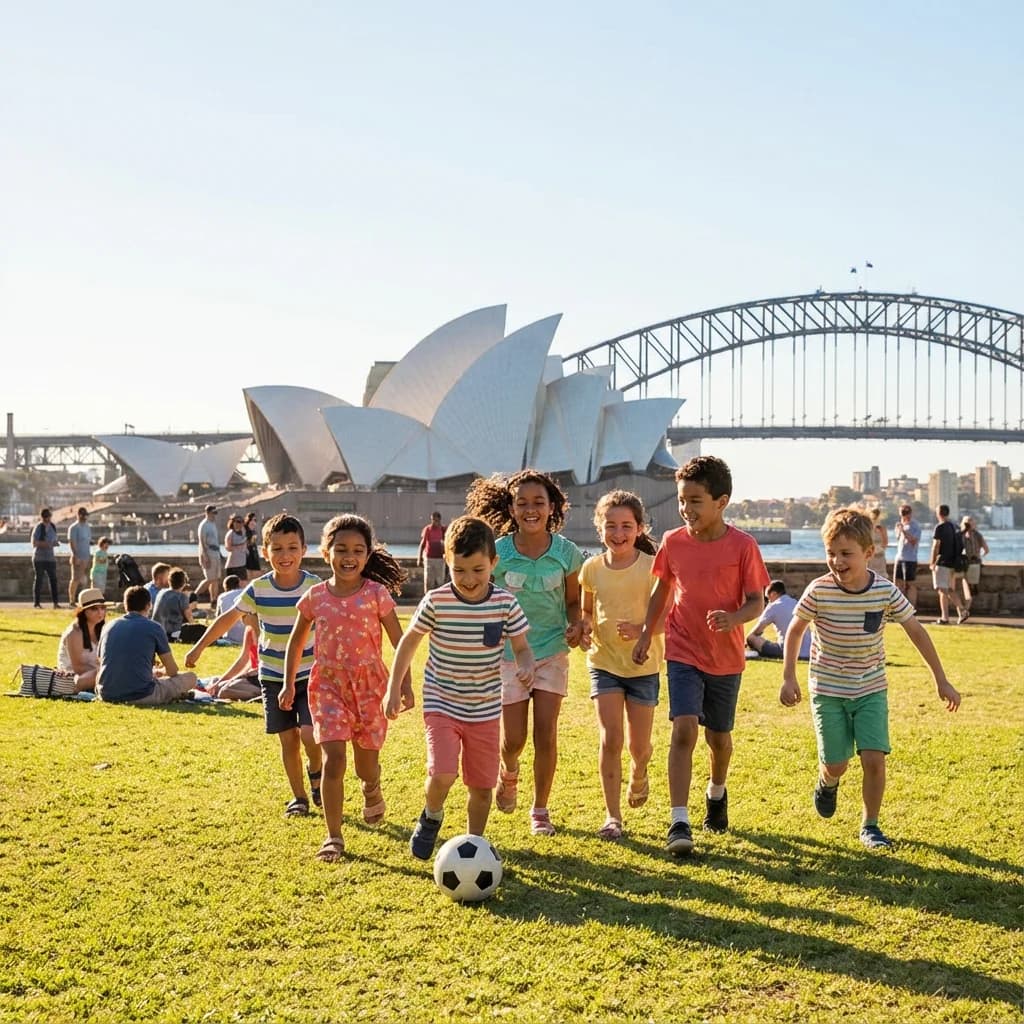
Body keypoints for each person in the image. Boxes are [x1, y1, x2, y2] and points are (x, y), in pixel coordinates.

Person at [779, 508, 961, 850]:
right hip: (828, 690)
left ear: (868, 553)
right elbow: (795, 629)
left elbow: (916, 631)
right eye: (831, 553)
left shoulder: (885, 591)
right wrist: (788, 676)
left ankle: (871, 826)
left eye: (846, 554)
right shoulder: (819, 590)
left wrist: (941, 679)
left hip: (870, 689)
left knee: (874, 759)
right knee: (837, 763)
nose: (837, 561)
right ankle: (827, 779)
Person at [632, 455, 769, 856]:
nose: (686, 509)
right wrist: (645, 634)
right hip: (682, 648)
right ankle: (679, 820)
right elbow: (662, 590)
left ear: (721, 501)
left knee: (719, 739)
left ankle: (716, 792)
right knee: (684, 728)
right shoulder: (673, 542)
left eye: (695, 501)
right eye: (681, 500)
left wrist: (734, 618)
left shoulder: (743, 546)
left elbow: (757, 602)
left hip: (726, 657)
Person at [384, 516, 533, 860]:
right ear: (447, 563)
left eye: (478, 570)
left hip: (484, 709)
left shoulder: (504, 603)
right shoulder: (436, 601)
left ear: (493, 563)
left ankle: (474, 845)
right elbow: (408, 643)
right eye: (459, 570)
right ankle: (432, 815)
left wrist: (525, 664)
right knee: (443, 773)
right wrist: (395, 687)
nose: (469, 580)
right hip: (442, 702)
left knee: (481, 788)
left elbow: (523, 647)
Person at [282, 515, 411, 863]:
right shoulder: (315, 597)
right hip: (328, 686)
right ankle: (333, 837)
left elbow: (401, 642)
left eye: (357, 550)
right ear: (326, 553)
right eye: (341, 549)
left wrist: (404, 685)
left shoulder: (376, 595)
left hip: (371, 688)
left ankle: (372, 788)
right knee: (333, 759)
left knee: (365, 766)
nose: (349, 556)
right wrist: (286, 684)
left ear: (368, 555)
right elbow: (296, 643)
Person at [465, 470, 584, 837]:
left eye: (538, 502)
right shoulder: (498, 552)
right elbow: (482, 598)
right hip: (508, 657)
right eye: (522, 503)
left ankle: (540, 809)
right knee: (513, 739)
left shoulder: (567, 553)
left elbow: (573, 601)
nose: (531, 509)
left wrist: (577, 625)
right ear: (512, 508)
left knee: (546, 733)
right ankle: (509, 770)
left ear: (552, 507)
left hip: (551, 652)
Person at [185, 514, 324, 819]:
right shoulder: (258, 589)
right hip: (273, 676)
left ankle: (317, 772)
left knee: (310, 735)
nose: (284, 555)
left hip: (310, 675)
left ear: (304, 549)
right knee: (287, 738)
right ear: (264, 552)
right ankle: (299, 797)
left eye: (291, 548)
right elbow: (228, 619)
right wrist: (199, 646)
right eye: (277, 549)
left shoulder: (315, 587)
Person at [578, 491, 663, 840]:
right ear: (599, 529)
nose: (618, 533)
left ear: (639, 528)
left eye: (626, 526)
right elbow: (586, 610)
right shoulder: (592, 569)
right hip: (604, 662)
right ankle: (613, 817)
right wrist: (583, 627)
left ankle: (640, 770)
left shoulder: (652, 568)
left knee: (637, 747)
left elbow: (666, 614)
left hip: (644, 667)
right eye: (610, 525)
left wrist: (643, 629)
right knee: (610, 739)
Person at [96, 586, 197, 705]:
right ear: (149, 605)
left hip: (106, 693)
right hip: (141, 694)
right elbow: (172, 671)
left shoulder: (108, 626)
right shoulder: (154, 627)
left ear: (125, 605)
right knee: (191, 677)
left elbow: (101, 662)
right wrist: (161, 672)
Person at [56, 587, 107, 693]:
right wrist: (104, 672)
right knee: (105, 674)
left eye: (102, 608)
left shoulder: (102, 629)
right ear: (84, 611)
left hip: (96, 673)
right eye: (94, 609)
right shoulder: (74, 632)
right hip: (74, 678)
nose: (100, 612)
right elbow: (78, 667)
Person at [746, 580, 811, 660]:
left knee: (751, 638)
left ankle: (755, 652)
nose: (768, 601)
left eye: (768, 598)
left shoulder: (773, 606)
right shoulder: (795, 602)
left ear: (773, 594)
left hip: (787, 651)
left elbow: (755, 632)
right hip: (808, 652)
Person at [929, 504, 966, 625]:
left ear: (939, 514)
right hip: (953, 563)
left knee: (942, 590)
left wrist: (932, 562)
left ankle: (945, 617)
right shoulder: (954, 526)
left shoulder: (940, 527)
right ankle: (962, 610)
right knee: (949, 589)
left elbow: (936, 546)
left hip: (942, 562)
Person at [152, 567, 196, 640]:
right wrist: (195, 627)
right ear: (184, 583)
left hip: (157, 629)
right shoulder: (181, 597)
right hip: (171, 633)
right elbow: (189, 616)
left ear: (169, 581)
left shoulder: (161, 592)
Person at [957, 516, 989, 612]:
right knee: (966, 586)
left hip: (972, 564)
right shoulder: (961, 535)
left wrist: (978, 557)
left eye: (970, 522)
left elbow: (986, 549)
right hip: (964, 564)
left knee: (971, 587)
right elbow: (986, 550)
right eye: (967, 522)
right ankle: (964, 609)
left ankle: (965, 609)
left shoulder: (977, 535)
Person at [892, 505, 921, 609]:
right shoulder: (900, 525)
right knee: (897, 583)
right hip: (899, 558)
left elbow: (914, 541)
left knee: (910, 585)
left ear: (910, 513)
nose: (905, 515)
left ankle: (911, 608)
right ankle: (898, 608)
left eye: (906, 513)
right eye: (903, 513)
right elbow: (898, 538)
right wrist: (899, 529)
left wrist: (903, 531)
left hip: (910, 559)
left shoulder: (915, 526)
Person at [31, 507, 60, 609]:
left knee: (53, 580)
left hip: (50, 558)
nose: (47, 519)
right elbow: (34, 543)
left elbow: (54, 540)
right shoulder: (38, 527)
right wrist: (47, 544)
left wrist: (55, 543)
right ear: (42, 517)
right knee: (39, 580)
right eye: (46, 517)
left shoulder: (52, 527)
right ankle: (37, 603)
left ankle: (55, 603)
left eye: (49, 516)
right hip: (39, 558)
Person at [194, 505, 223, 605]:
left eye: (215, 513)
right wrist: (205, 556)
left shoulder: (213, 524)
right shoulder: (204, 525)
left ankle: (213, 600)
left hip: (216, 553)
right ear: (207, 513)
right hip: (208, 553)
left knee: (215, 579)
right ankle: (194, 595)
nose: (214, 515)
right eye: (213, 513)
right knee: (209, 578)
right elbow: (202, 541)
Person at [67, 507, 92, 606]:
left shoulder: (87, 527)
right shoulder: (74, 528)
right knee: (76, 579)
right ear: (78, 515)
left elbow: (88, 541)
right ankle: (72, 600)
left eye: (86, 515)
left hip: (86, 556)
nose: (85, 517)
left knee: (86, 579)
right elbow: (72, 542)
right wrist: (75, 555)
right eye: (83, 515)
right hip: (78, 557)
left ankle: (85, 600)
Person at [417, 511, 447, 592]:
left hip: (440, 559)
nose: (434, 522)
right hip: (429, 558)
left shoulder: (443, 530)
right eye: (432, 520)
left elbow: (448, 544)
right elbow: (423, 544)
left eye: (436, 520)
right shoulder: (428, 529)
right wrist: (419, 558)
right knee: (428, 581)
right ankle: (427, 597)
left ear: (439, 520)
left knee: (440, 581)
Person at [215, 574, 248, 644]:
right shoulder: (247, 593)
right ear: (239, 583)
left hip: (229, 638)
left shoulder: (222, 597)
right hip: (249, 636)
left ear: (225, 586)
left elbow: (218, 618)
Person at [224, 514, 249, 582]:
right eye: (238, 521)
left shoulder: (243, 532)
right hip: (233, 566)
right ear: (233, 522)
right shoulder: (230, 534)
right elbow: (228, 548)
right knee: (232, 586)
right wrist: (239, 546)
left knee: (244, 585)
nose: (240, 524)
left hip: (242, 564)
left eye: (242, 522)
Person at [868, 508, 888, 579]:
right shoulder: (868, 528)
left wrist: (881, 550)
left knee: (881, 576)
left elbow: (885, 542)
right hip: (871, 556)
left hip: (879, 555)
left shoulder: (882, 528)